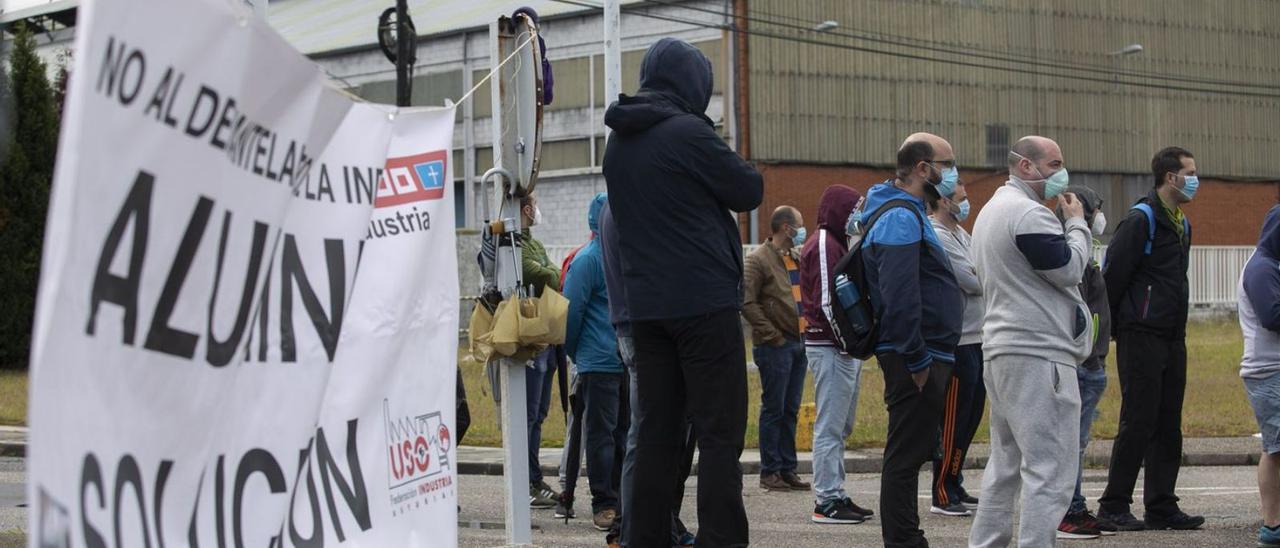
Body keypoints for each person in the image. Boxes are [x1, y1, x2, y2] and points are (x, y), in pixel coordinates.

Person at [603, 37, 763, 547]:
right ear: (691, 82)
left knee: (655, 434)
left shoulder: (619, 141)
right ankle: (721, 538)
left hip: (646, 310)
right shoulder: (689, 132)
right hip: (703, 305)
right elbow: (748, 189)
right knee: (719, 434)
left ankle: (642, 538)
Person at [969, 136, 1093, 547]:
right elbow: (1070, 268)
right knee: (1050, 470)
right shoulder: (1028, 214)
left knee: (1005, 466)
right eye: (1054, 164)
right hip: (1039, 353)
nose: (1061, 174)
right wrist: (1076, 223)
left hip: (1001, 350)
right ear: (1026, 166)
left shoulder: (989, 212)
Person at [863, 133, 963, 547]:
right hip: (915, 357)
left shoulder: (908, 210)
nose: (954, 171)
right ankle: (905, 540)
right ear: (923, 168)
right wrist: (919, 359)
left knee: (910, 453)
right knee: (905, 456)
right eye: (948, 163)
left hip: (923, 352)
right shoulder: (900, 215)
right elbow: (900, 295)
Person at [1098, 147, 1205, 531]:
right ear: (1170, 177)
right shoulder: (1141, 220)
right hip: (1140, 335)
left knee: (1168, 423)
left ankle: (1161, 504)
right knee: (1138, 421)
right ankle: (1113, 504)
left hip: (1173, 337)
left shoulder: (1181, 223)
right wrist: (1108, 334)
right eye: (1189, 172)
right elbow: (1113, 278)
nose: (1195, 179)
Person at [599, 202, 696, 548]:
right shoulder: (627, 206)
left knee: (648, 435)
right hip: (642, 330)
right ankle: (637, 527)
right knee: (648, 435)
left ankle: (648, 524)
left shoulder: (616, 206)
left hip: (633, 327)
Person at [800, 185, 873, 524]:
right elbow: (827, 300)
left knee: (840, 425)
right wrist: (848, 342)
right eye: (854, 208)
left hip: (839, 346)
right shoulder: (825, 244)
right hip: (831, 346)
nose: (858, 214)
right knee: (830, 426)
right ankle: (826, 500)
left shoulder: (837, 243)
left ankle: (837, 492)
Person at [1052, 185, 1118, 539]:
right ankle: (1066, 511)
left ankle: (1076, 505)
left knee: (1077, 442)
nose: (1101, 216)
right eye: (1096, 209)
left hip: (1093, 362)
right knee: (1068, 442)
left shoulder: (1087, 252)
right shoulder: (1070, 253)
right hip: (1081, 362)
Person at [562, 193, 629, 531]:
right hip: (598, 363)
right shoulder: (588, 260)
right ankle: (604, 502)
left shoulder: (622, 255)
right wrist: (579, 354)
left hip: (625, 362)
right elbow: (570, 314)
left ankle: (622, 497)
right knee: (601, 437)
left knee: (625, 434)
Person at [925, 174, 984, 518]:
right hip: (958, 340)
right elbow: (975, 280)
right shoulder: (937, 235)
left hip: (978, 336)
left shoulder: (962, 233)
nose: (966, 198)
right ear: (945, 200)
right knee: (953, 419)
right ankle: (942, 490)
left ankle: (955, 479)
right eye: (961, 193)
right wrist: (987, 273)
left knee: (971, 416)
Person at [743, 205, 812, 493]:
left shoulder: (794, 257)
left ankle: (787, 468)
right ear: (786, 228)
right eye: (799, 224)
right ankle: (769, 471)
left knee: (791, 409)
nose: (802, 229)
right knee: (774, 408)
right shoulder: (758, 259)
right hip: (776, 346)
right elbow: (747, 302)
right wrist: (773, 336)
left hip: (799, 343)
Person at [517, 192, 563, 509]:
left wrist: (548, 271)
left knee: (541, 412)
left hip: (546, 336)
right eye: (533, 204)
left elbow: (553, 273)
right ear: (526, 209)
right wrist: (548, 271)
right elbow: (544, 274)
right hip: (529, 337)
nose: (537, 211)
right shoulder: (514, 246)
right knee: (529, 414)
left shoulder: (535, 245)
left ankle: (534, 478)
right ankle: (527, 480)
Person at [1238, 204, 1280, 548]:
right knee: (1278, 448)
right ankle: (1272, 525)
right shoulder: (1262, 268)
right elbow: (1272, 315)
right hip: (1269, 371)